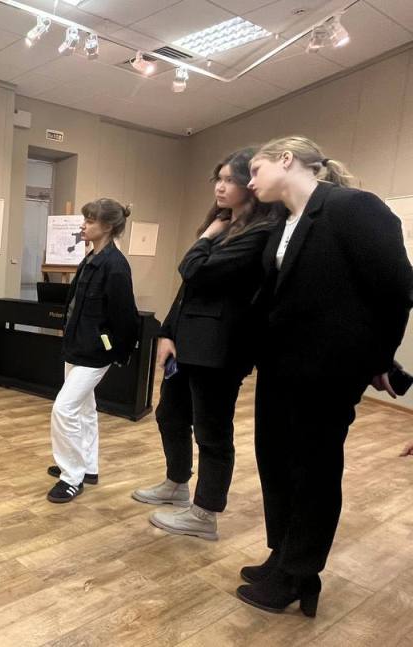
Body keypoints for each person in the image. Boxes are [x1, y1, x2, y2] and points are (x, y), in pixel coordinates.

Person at [237, 136, 413, 617]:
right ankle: (282, 555)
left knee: (312, 470)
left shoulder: (353, 208)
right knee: (275, 461)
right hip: (280, 366)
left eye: (255, 170)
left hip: (329, 370)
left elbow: (397, 290)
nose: (250, 182)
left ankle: (300, 572)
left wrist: (378, 359)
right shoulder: (284, 222)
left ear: (286, 159)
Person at [132, 148, 276, 540]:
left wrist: (208, 235)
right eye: (219, 178)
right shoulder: (227, 226)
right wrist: (167, 332)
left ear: (250, 185)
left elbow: (193, 269)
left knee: (212, 433)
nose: (220, 186)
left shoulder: (260, 232)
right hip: (187, 343)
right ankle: (176, 484)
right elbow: (189, 291)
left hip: (219, 350)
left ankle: (205, 513)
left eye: (230, 180)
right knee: (169, 416)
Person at [47, 198, 138, 504]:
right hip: (77, 346)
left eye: (89, 221)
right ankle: (87, 467)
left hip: (95, 353)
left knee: (64, 409)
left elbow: (125, 317)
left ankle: (71, 476)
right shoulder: (91, 258)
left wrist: (113, 349)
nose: (83, 225)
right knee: (84, 410)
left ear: (108, 226)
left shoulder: (115, 266)